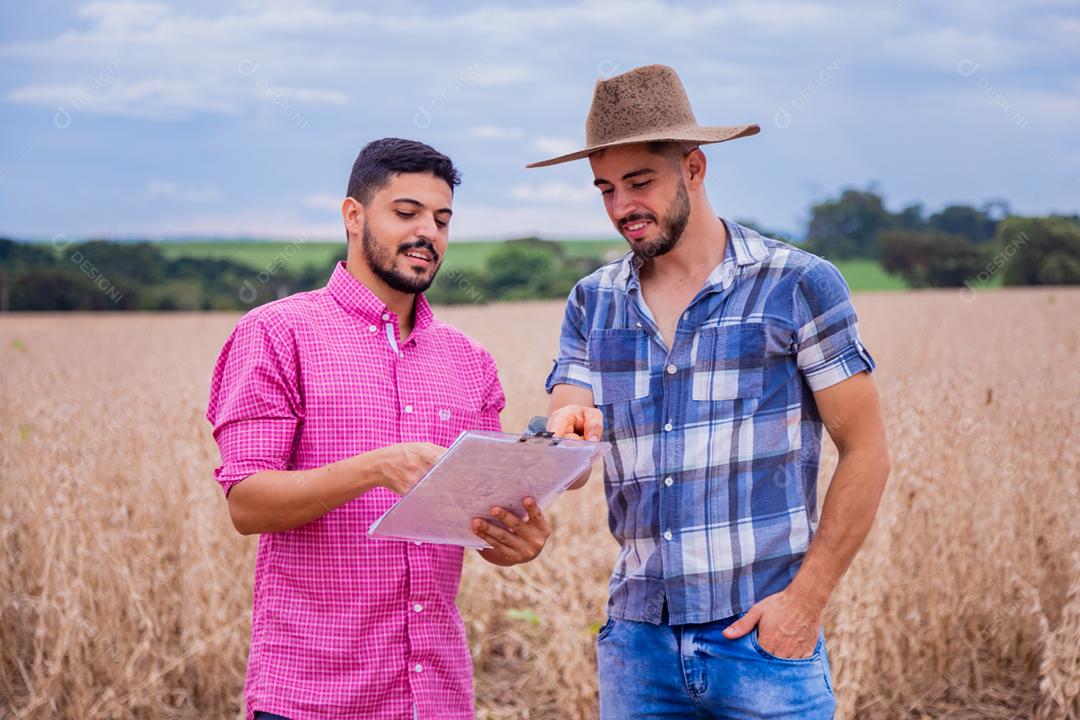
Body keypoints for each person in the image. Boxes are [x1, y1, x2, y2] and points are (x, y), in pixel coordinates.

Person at [532, 65, 890, 718]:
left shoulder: (797, 284)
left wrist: (804, 603)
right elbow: (569, 421)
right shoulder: (592, 301)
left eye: (639, 182)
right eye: (606, 189)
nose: (621, 209)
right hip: (636, 648)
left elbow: (866, 449)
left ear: (694, 168)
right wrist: (565, 428)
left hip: (762, 644)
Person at [206, 137, 551, 720]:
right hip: (310, 697)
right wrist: (374, 468)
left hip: (435, 697)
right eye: (407, 212)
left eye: (442, 220)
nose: (429, 234)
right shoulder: (276, 334)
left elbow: (479, 519)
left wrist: (514, 542)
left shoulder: (470, 361)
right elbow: (248, 504)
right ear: (354, 216)